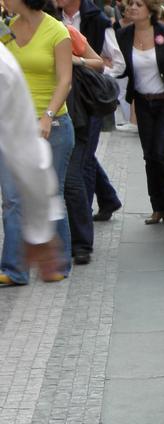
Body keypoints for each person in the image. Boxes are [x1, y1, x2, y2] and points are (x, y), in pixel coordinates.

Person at [1, 0, 73, 286]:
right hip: (14, 130)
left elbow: (65, 80)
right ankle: (14, 268)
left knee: (50, 194)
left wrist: (47, 116)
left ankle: (59, 260)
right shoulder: (6, 30)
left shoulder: (57, 31)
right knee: (13, 199)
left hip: (53, 126)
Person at [116, 0, 164, 224]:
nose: (132, 7)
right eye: (129, 4)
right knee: (149, 156)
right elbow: (121, 68)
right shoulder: (124, 35)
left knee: (161, 152)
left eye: (138, 4)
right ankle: (157, 207)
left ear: (150, 9)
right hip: (143, 103)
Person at [55, 0, 124, 222]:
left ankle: (81, 221)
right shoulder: (53, 17)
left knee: (80, 163)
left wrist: (89, 78)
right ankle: (109, 198)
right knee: (84, 157)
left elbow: (116, 63)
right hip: (64, 100)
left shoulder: (98, 20)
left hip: (87, 100)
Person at [61, 19, 105, 265]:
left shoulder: (64, 31)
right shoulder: (13, 32)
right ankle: (109, 199)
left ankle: (81, 243)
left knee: (72, 177)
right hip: (38, 116)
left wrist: (76, 60)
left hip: (79, 114)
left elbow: (99, 63)